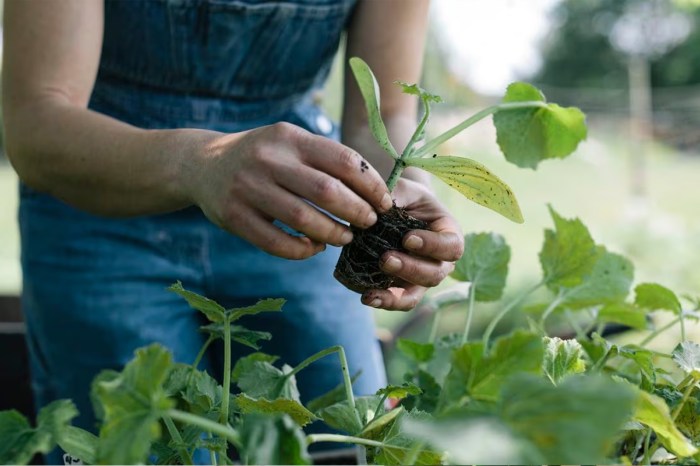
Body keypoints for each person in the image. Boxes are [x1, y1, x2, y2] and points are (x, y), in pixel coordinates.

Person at [3, 0, 463, 461]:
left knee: (350, 438)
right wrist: (199, 164)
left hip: (295, 208)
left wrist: (404, 192)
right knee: (143, 444)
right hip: (100, 197)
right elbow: (36, 122)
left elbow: (380, 119)